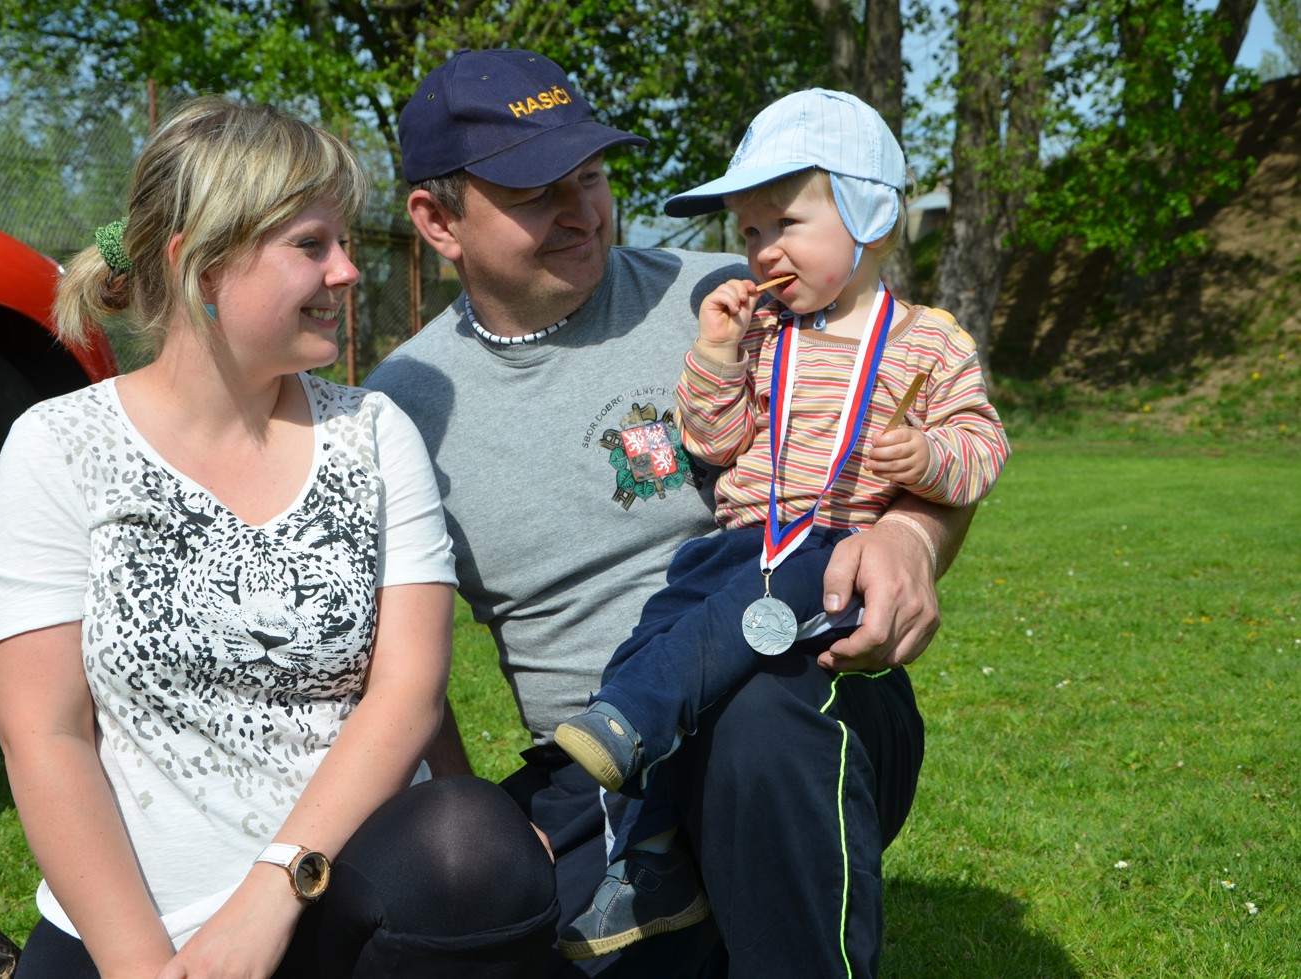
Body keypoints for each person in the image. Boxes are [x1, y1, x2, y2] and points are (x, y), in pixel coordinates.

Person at [368, 49, 975, 977]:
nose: (584, 211)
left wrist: (910, 538)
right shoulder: (404, 405)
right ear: (437, 220)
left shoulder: (736, 297)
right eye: (538, 192)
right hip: (597, 776)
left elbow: (929, 431)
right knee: (450, 885)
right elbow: (399, 657)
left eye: (592, 176)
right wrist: (486, 820)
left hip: (805, 708)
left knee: (761, 716)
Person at [0, 95, 557, 979]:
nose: (347, 271)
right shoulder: (60, 446)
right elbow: (43, 734)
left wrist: (272, 895)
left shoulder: (373, 433)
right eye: (310, 245)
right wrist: (144, 967)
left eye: (344, 242)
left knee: (473, 835)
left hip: (341, 896)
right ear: (201, 267)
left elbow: (408, 693)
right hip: (135, 929)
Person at [550, 88, 1011, 958]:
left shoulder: (929, 342)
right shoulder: (762, 329)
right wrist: (716, 353)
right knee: (661, 627)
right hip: (735, 547)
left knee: (690, 668)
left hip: (835, 549)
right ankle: (650, 853)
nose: (763, 249)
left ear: (871, 214)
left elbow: (982, 449)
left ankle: (629, 719)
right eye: (749, 229)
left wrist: (924, 459)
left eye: (787, 222)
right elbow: (712, 442)